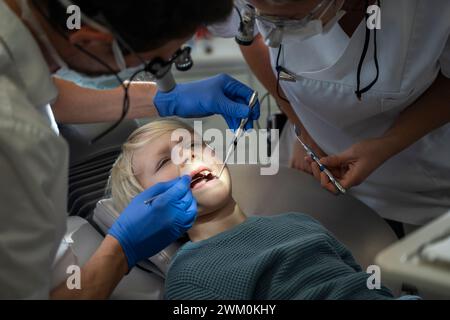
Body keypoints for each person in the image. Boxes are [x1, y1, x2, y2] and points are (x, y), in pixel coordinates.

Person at [0, 0, 259, 299]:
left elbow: (38, 89)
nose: (187, 154)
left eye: (195, 144)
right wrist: (121, 250)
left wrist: (163, 99)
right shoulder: (16, 140)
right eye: (154, 65)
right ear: (89, 40)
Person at [108, 118, 414, 300]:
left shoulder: (298, 222)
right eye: (165, 161)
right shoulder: (190, 276)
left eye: (194, 144)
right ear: (145, 207)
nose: (188, 155)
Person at [210, 0, 450, 229]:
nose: (272, 36)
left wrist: (387, 145)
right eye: (263, 17)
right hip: (308, 168)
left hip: (417, 173)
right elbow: (250, 37)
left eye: (292, 20)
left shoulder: (430, 10)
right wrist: (302, 128)